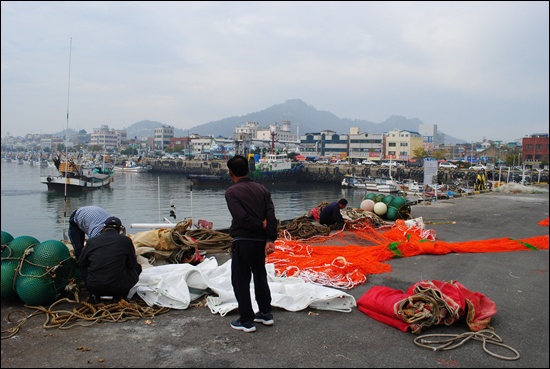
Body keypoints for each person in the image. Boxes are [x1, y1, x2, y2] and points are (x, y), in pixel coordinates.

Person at [225, 155, 277, 333]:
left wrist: (257, 225)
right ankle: (265, 312)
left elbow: (241, 218)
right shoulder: (262, 189)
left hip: (243, 241)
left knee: (240, 280)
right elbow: (271, 216)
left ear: (230, 173)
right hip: (260, 243)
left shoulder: (232, 192)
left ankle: (246, 319)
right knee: (260, 276)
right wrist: (270, 238)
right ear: (248, 169)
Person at [78, 216, 142, 303]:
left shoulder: (91, 241)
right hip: (118, 287)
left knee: (83, 267)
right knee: (137, 267)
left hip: (94, 286)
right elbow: (131, 264)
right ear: (119, 230)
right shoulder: (126, 241)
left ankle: (93, 294)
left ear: (104, 228)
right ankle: (120, 295)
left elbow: (81, 262)